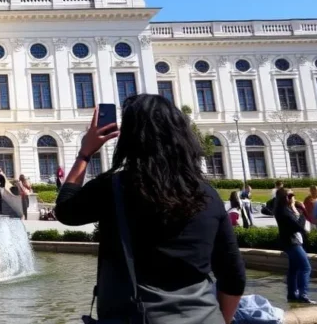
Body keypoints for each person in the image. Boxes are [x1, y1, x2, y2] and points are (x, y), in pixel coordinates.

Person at [55, 97, 246, 322]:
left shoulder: (114, 188)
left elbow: (65, 209)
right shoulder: (207, 194)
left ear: (131, 139)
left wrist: (85, 154)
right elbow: (233, 277)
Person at [275, 188, 315, 304]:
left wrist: (294, 209)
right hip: (292, 243)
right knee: (306, 268)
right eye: (291, 195)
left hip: (291, 242)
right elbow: (298, 227)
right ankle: (303, 294)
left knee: (294, 269)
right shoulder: (284, 211)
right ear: (285, 198)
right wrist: (300, 213)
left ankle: (292, 294)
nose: (294, 197)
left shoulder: (284, 209)